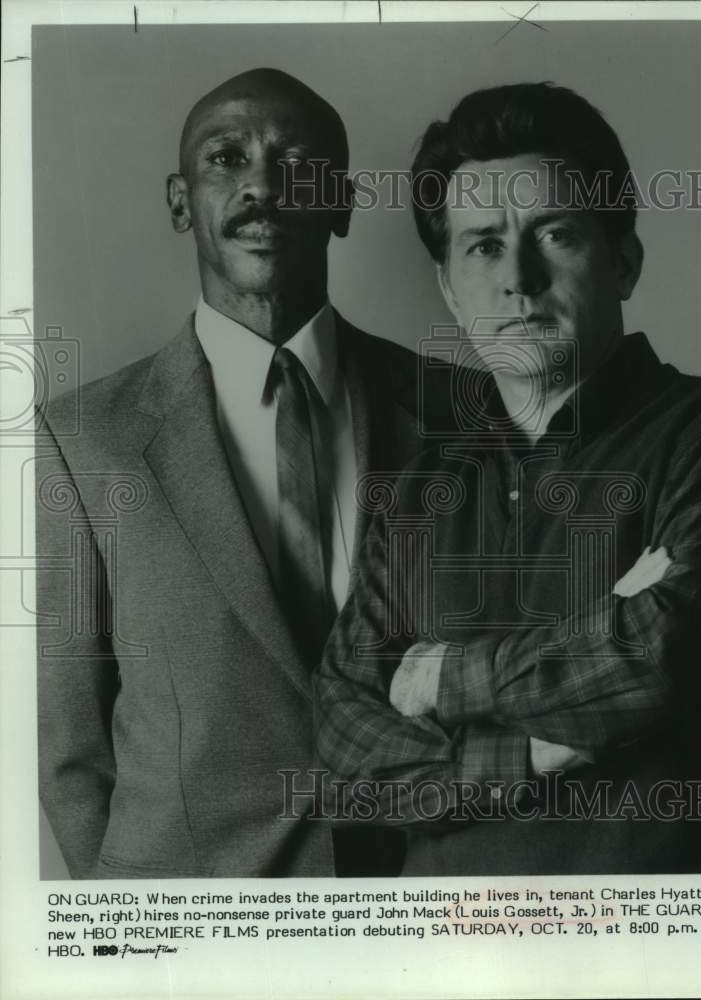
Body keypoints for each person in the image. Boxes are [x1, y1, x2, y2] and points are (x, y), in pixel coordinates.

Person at [314, 83, 701, 875]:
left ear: (623, 261)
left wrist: (443, 676)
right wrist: (527, 756)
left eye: (554, 234)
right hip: (439, 943)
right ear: (450, 289)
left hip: (653, 938)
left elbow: (664, 654)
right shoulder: (420, 491)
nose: (519, 278)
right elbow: (345, 744)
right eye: (483, 246)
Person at [36, 68, 452, 879]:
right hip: (191, 922)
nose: (263, 186)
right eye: (226, 158)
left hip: (415, 906)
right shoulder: (81, 441)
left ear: (342, 202)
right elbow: (69, 751)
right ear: (180, 201)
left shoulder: (459, 415)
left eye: (298, 164)